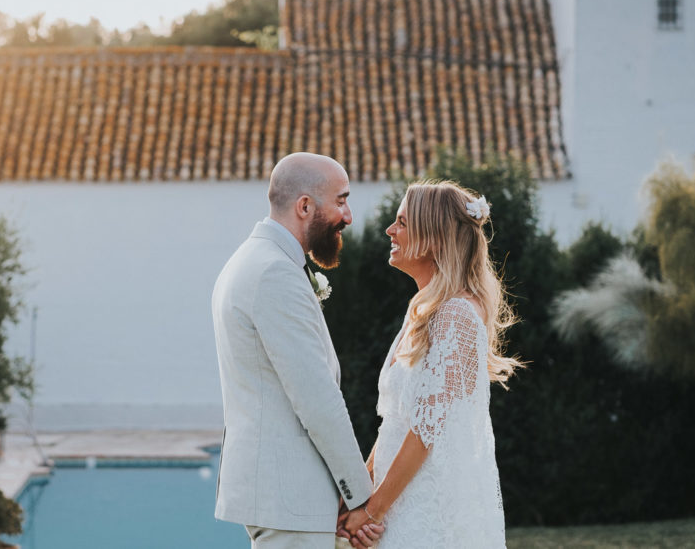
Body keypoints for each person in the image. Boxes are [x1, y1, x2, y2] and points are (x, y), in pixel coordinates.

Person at [212, 153, 384, 549]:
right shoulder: (273, 273)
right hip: (290, 495)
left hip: (281, 495)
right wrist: (361, 496)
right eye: (340, 200)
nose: (349, 216)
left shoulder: (251, 260)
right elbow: (317, 399)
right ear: (305, 206)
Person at [338, 179, 522, 548]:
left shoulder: (456, 315)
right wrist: (358, 498)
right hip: (398, 502)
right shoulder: (422, 311)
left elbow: (425, 431)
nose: (390, 230)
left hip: (427, 507)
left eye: (402, 222)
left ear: (434, 237)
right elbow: (396, 423)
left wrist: (373, 512)